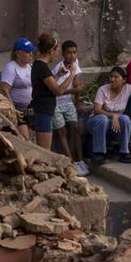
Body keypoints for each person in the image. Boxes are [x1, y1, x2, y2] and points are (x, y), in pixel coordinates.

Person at [29, 33, 76, 151]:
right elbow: (58, 91)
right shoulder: (42, 67)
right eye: (57, 51)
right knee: (44, 152)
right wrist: (72, 74)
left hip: (44, 111)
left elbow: (47, 85)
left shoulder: (39, 65)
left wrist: (59, 75)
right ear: (51, 51)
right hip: (43, 111)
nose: (57, 54)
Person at [51, 40, 89, 176]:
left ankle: (80, 160)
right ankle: (70, 161)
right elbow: (57, 91)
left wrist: (77, 103)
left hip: (68, 103)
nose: (72, 56)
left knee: (75, 128)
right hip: (55, 103)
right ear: (63, 54)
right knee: (61, 131)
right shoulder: (58, 68)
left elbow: (77, 85)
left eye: (74, 52)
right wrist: (73, 91)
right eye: (69, 53)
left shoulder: (75, 64)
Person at [87, 67, 131, 165]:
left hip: (114, 125)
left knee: (126, 119)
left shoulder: (129, 88)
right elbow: (97, 110)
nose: (112, 79)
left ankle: (124, 152)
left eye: (116, 77)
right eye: (111, 76)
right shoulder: (103, 90)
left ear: (124, 80)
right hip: (96, 123)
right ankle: (99, 153)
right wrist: (113, 115)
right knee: (103, 119)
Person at [0, 38, 35, 140]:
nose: (31, 55)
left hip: (30, 108)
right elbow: (4, 90)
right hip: (18, 108)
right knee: (24, 138)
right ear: (18, 53)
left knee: (31, 137)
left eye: (31, 52)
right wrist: (13, 110)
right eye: (28, 52)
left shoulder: (30, 67)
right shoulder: (11, 67)